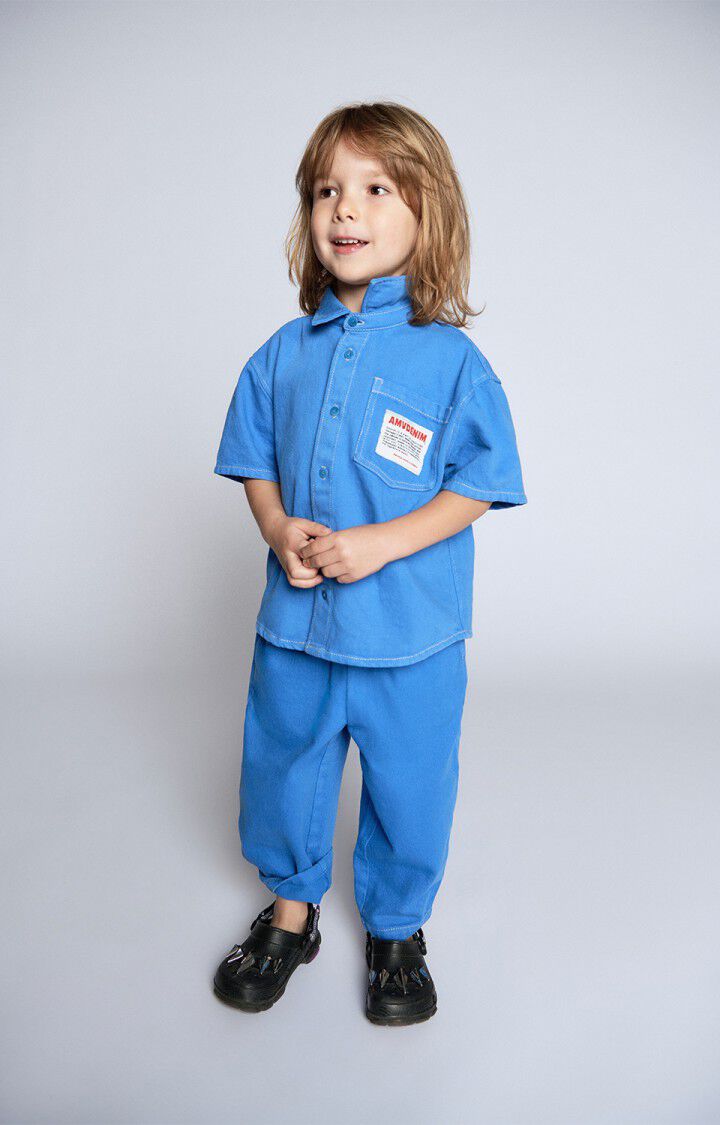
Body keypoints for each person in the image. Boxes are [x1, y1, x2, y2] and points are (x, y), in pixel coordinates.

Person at [211, 102, 527, 1025]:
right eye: (327, 190)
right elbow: (254, 459)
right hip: (298, 629)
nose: (345, 208)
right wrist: (277, 527)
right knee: (283, 767)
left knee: (410, 783)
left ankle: (396, 929)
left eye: (377, 188)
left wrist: (381, 544)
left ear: (429, 213)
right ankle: (291, 911)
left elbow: (483, 482)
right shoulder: (280, 355)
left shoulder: (452, 363)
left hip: (411, 633)